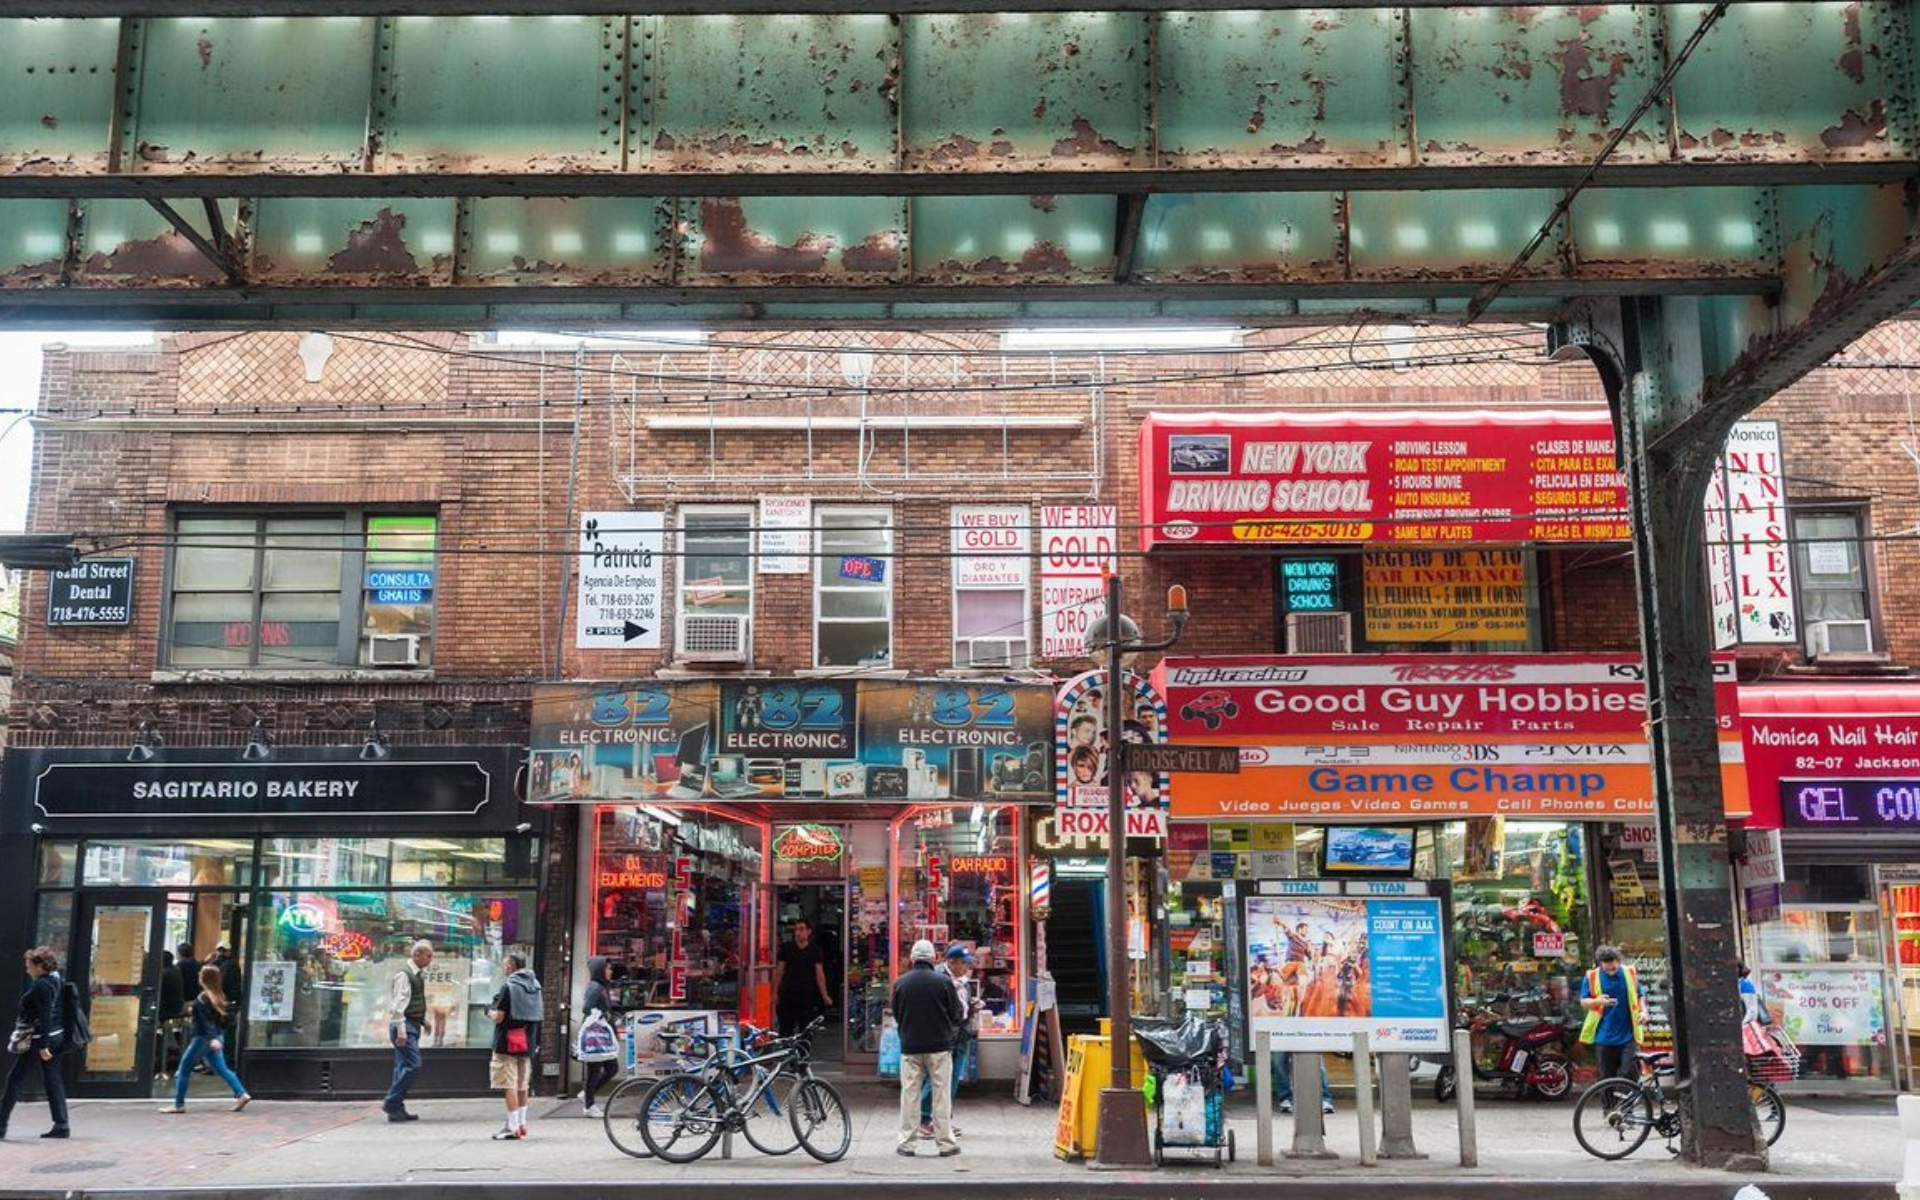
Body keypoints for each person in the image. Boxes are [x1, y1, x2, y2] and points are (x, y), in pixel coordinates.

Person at [891, 939, 962, 1159]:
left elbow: (896, 1014)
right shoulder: (944, 982)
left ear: (913, 958)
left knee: (910, 1095)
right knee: (941, 1095)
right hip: (939, 1046)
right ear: (934, 959)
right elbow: (957, 1014)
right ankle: (946, 1144)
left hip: (910, 1046)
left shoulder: (900, 983)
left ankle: (907, 1143)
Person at [1, 946, 71, 1140]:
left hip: (40, 1038)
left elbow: (45, 1015)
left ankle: (1, 1124)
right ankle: (61, 1123)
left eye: (29, 966)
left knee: (14, 1079)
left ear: (40, 966)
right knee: (53, 1078)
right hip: (57, 1034)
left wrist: (43, 1045)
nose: (27, 969)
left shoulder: (41, 986)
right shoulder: (56, 979)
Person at [160, 965, 250, 1114]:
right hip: (216, 1037)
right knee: (222, 1069)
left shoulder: (202, 999)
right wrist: (217, 1037)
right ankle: (241, 1094)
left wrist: (212, 1037)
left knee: (183, 1070)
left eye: (200, 976)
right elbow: (218, 1019)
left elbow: (206, 1021)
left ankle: (179, 1104)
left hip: (203, 1038)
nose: (198, 978)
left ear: (203, 979)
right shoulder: (218, 995)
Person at [919, 944, 981, 1138]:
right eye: (963, 963)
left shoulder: (963, 980)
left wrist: (972, 1007)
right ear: (951, 962)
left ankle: (943, 1120)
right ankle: (924, 1119)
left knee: (952, 1080)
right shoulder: (940, 979)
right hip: (944, 1037)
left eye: (967, 964)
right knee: (936, 1079)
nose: (966, 968)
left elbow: (960, 1007)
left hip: (960, 1034)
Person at [487, 953, 543, 1141]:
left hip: (507, 1042)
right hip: (527, 1042)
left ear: (511, 966)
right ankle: (522, 1124)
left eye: (505, 965)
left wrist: (489, 1013)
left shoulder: (508, 987)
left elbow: (500, 1017)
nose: (504, 968)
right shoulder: (536, 987)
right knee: (522, 1084)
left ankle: (511, 1127)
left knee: (508, 1083)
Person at [382, 940, 434, 1122]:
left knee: (402, 1067)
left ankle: (396, 1109)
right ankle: (391, 1101)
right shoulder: (405, 975)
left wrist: (422, 1020)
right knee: (413, 1064)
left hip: (411, 1024)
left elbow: (412, 1002)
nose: (430, 959)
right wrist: (401, 1031)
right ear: (417, 954)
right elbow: (398, 1005)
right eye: (428, 955)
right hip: (404, 1026)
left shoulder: (416, 974)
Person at [1578, 944, 1647, 1081]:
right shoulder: (1591, 977)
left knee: (1629, 1073)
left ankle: (1627, 1102)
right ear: (1600, 964)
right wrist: (1598, 1001)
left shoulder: (1629, 973)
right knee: (1606, 1078)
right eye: (1607, 968)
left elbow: (1640, 995)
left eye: (1614, 968)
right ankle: (1610, 1103)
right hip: (1604, 1037)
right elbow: (1584, 1001)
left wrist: (1644, 1011)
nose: (1610, 971)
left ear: (1619, 961)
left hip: (1628, 1036)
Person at [772, 919, 832, 1038]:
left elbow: (819, 974)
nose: (798, 933)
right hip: (787, 993)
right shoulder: (786, 948)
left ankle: (803, 1054)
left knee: (806, 1028)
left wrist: (824, 995)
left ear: (808, 932)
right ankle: (786, 1053)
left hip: (807, 994)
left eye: (801, 929)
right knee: (785, 1028)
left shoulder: (815, 951)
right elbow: (779, 971)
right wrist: (774, 992)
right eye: (796, 930)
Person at [579, 956, 622, 1118]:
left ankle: (587, 1097)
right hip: (595, 1036)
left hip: (600, 1036)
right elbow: (586, 1008)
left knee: (605, 1068)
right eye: (607, 968)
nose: (610, 971)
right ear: (599, 970)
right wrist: (605, 1015)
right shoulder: (596, 987)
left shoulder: (601, 986)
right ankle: (589, 1105)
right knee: (597, 1070)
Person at [157, 951, 187, 1077]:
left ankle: (165, 1053)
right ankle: (172, 1045)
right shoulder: (175, 971)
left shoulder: (164, 975)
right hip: (177, 1009)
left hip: (167, 1012)